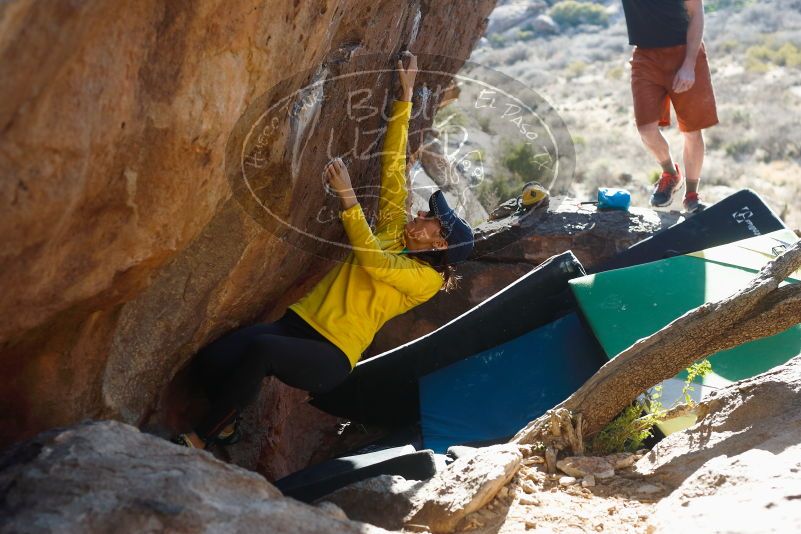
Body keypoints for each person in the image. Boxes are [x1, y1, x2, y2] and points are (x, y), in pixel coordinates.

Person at [174, 52, 474, 449]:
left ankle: (202, 438)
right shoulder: (394, 229)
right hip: (297, 325)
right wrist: (404, 98)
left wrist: (349, 198)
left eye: (432, 219)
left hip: (331, 354)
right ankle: (228, 423)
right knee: (210, 363)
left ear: (439, 243)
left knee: (262, 350)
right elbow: (392, 168)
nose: (421, 212)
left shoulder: (426, 280)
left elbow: (374, 262)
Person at [621, 0, 719, 214]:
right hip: (645, 57)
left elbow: (696, 12)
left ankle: (692, 195)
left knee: (692, 131)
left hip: (685, 51)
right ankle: (670, 173)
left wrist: (689, 64)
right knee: (646, 130)